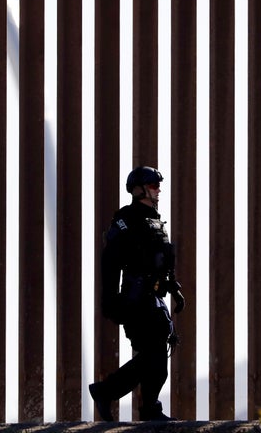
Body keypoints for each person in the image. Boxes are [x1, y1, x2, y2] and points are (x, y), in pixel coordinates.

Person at [89, 166, 185, 421]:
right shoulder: (127, 220)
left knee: (157, 358)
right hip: (135, 298)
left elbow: (161, 260)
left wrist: (173, 287)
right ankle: (107, 391)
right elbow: (110, 262)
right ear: (139, 189)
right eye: (153, 186)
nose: (158, 190)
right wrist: (109, 300)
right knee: (153, 354)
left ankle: (148, 408)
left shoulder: (155, 220)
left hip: (155, 297)